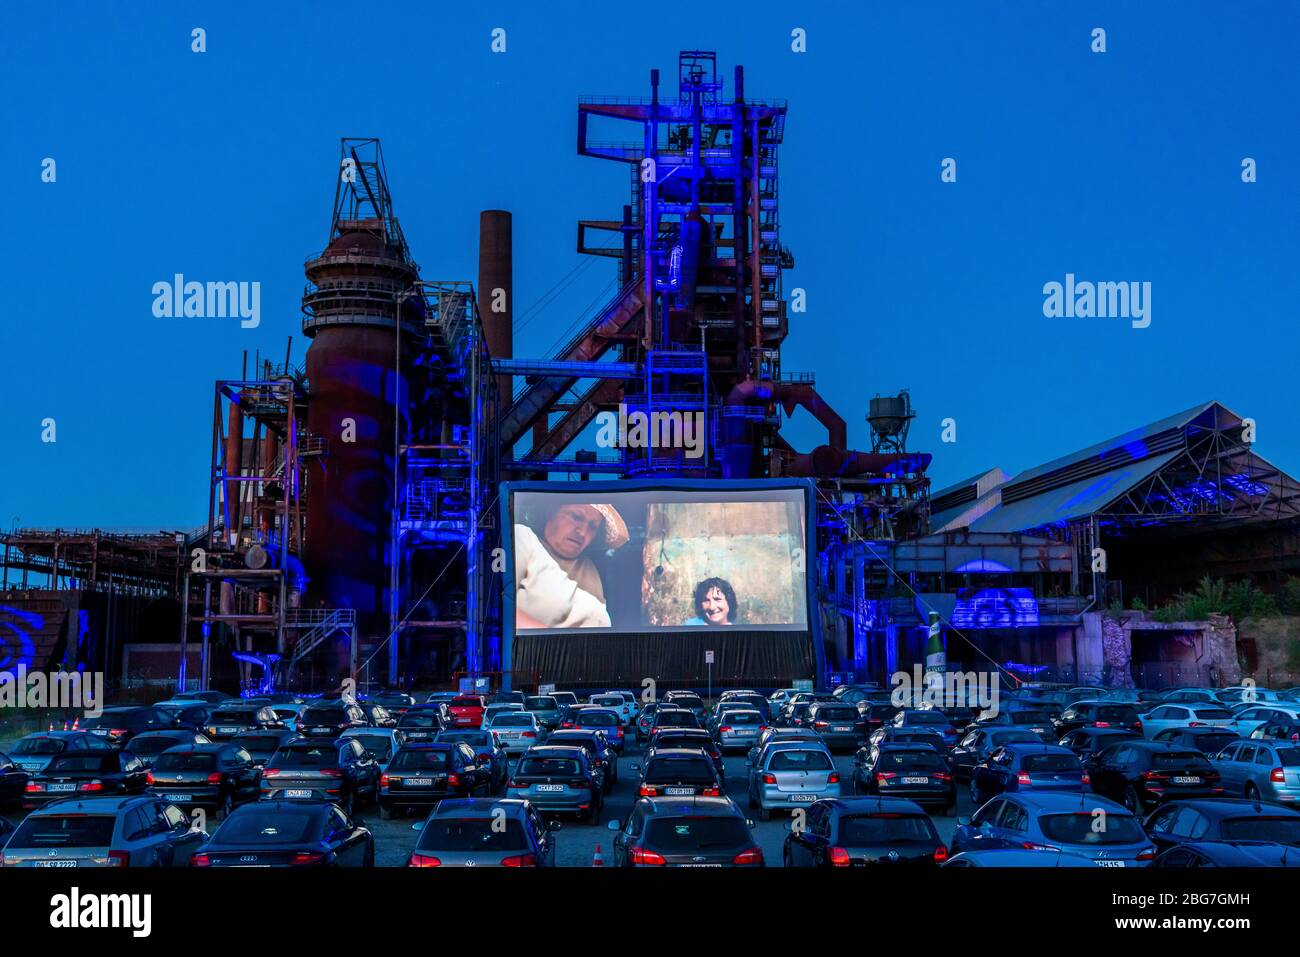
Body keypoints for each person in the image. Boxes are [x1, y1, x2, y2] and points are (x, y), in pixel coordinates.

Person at [514, 501, 630, 629]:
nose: (583, 532)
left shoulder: (588, 567)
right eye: (577, 517)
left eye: (592, 526)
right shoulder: (524, 538)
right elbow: (498, 608)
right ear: (550, 512)